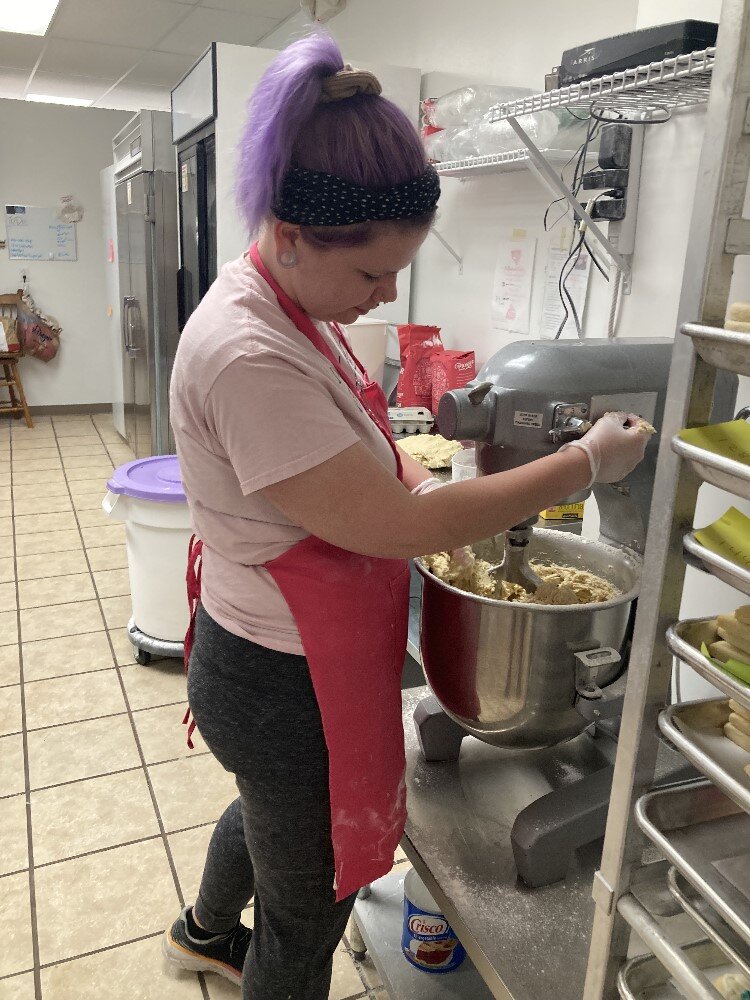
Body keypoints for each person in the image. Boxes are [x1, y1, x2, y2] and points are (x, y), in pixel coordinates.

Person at [162, 33, 650, 1000]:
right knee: (307, 914)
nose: (387, 294)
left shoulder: (292, 303)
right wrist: (581, 463)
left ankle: (203, 932)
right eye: (372, 276)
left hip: (271, 654)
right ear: (291, 235)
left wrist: (424, 484)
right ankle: (242, 950)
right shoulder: (248, 353)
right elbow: (395, 527)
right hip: (277, 678)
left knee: (269, 819)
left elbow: (380, 463)